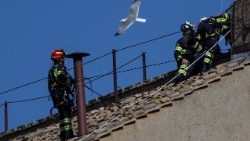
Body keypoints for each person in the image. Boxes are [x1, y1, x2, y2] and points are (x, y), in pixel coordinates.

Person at [48, 49, 75, 141]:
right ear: (59, 58)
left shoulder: (57, 68)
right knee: (65, 114)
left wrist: (71, 80)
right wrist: (70, 80)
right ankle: (67, 135)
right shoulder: (57, 68)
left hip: (60, 95)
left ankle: (67, 133)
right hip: (60, 95)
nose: (64, 59)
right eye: (63, 57)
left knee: (66, 113)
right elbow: (61, 79)